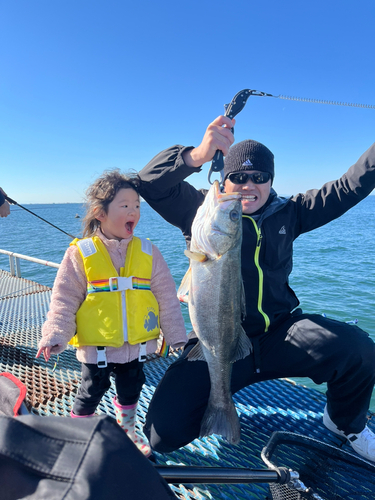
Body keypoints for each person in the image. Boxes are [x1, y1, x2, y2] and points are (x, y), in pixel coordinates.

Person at [137, 115, 375, 462]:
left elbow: (348, 187)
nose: (248, 184)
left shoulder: (291, 212)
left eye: (259, 177)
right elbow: (149, 183)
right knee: (162, 432)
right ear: (223, 179)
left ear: (270, 181)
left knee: (359, 350)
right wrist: (195, 155)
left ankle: (343, 422)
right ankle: (220, 402)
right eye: (238, 177)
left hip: (281, 332)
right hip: (218, 340)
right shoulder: (202, 211)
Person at [36, 169, 187, 457]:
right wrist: (55, 334)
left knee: (131, 391)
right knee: (90, 393)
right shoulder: (80, 253)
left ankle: (127, 434)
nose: (134, 211)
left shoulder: (149, 252)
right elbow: (64, 299)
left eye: (137, 206)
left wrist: (177, 337)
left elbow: (166, 298)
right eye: (125, 205)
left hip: (137, 349)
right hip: (97, 350)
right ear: (100, 213)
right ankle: (77, 441)